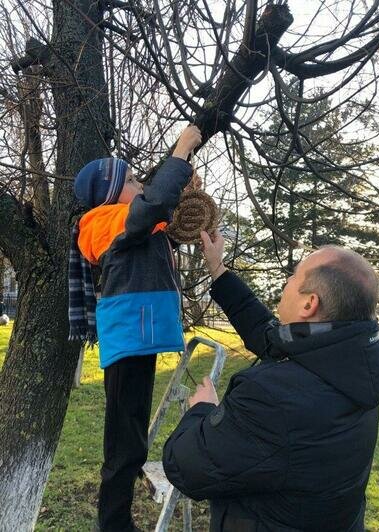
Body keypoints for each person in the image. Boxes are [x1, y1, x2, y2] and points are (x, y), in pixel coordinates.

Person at [162, 229, 379, 532]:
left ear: (309, 304)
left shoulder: (271, 398)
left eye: (294, 277)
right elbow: (268, 335)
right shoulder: (356, 362)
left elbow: (186, 466)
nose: (286, 283)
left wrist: (201, 410)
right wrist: (217, 269)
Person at [68, 125, 202, 532]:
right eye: (129, 180)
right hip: (129, 339)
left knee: (130, 438)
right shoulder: (103, 222)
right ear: (109, 193)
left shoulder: (126, 222)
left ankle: (116, 521)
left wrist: (185, 186)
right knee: (123, 444)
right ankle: (113, 525)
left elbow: (160, 215)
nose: (139, 183)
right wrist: (180, 152)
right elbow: (152, 204)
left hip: (137, 339)